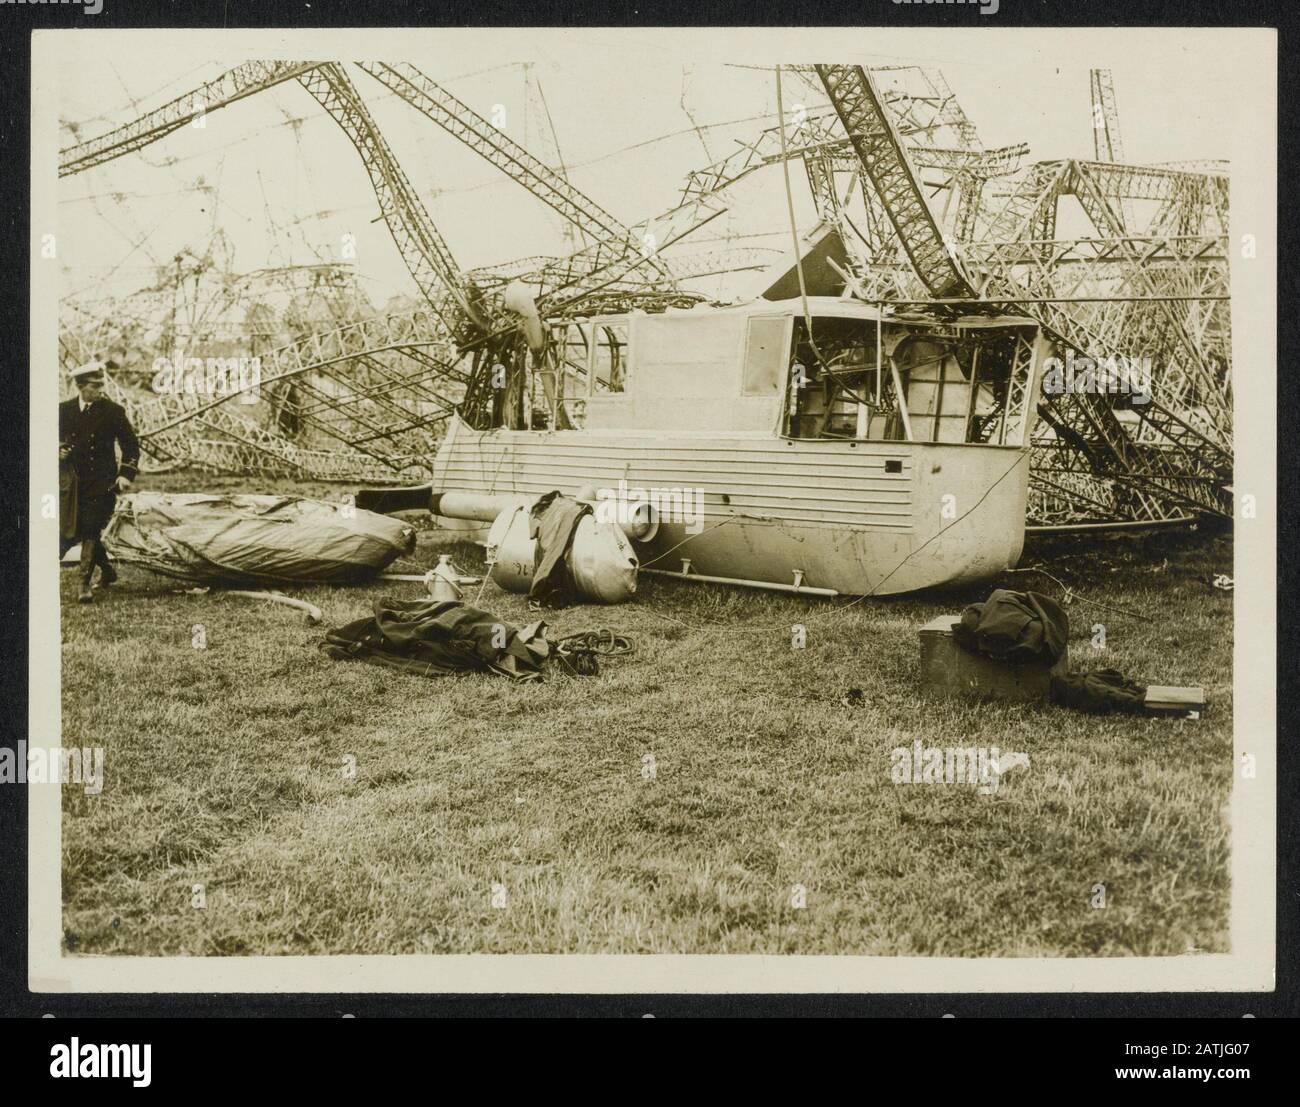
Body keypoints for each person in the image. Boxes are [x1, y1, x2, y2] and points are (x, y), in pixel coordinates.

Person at [59, 361, 139, 603]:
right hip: (72, 484)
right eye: (96, 385)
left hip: (103, 483)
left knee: (91, 527)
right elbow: (44, 439)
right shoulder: (63, 410)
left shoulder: (113, 411)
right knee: (77, 529)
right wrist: (57, 450)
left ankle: (84, 583)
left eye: (102, 384)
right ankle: (108, 571)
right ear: (81, 386)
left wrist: (125, 475)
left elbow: (131, 446)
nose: (101, 389)